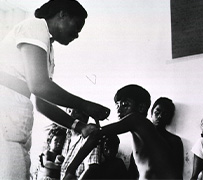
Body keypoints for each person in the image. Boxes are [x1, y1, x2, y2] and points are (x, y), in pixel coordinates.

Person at [0, 0, 110, 179]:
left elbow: (42, 104)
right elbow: (39, 86)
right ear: (62, 14)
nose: (77, 34)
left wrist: (78, 126)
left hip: (16, 121)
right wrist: (86, 106)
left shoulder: (48, 51)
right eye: (77, 26)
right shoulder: (35, 27)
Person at [63, 84, 179, 180]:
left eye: (125, 104)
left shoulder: (137, 120)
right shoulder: (142, 129)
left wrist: (70, 169)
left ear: (141, 108)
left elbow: (96, 135)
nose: (119, 109)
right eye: (117, 105)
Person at [128, 97, 184, 179]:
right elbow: (132, 170)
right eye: (157, 112)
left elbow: (177, 171)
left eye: (165, 114)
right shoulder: (140, 136)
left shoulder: (174, 141)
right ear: (151, 113)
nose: (160, 116)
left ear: (169, 118)